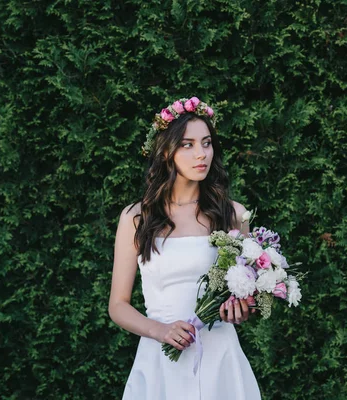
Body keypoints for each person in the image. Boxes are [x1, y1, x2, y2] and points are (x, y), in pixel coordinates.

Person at [108, 97, 261, 399]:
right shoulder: (137, 218)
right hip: (160, 360)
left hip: (220, 359)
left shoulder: (233, 215)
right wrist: (160, 331)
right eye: (187, 145)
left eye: (206, 143)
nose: (201, 154)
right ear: (167, 151)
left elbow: (248, 300)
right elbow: (118, 305)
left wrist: (242, 310)